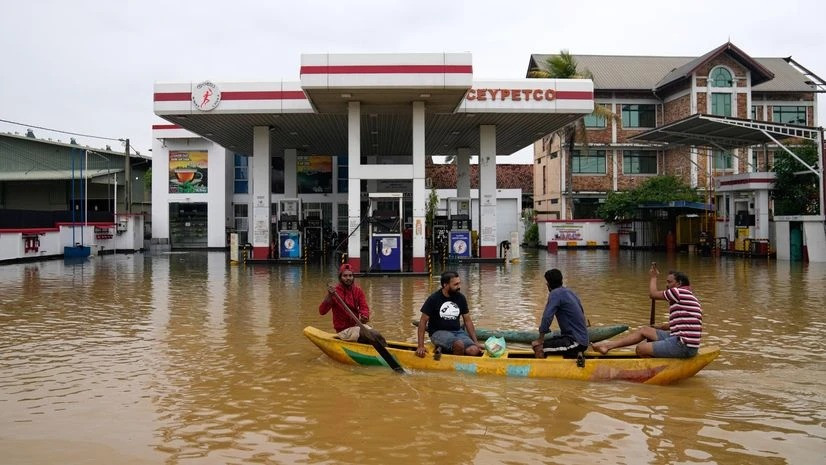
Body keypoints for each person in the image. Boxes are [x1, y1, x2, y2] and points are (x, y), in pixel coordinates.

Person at [592, 262, 702, 358]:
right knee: (644, 330)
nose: (667, 285)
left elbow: (653, 294)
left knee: (640, 349)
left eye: (669, 282)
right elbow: (677, 324)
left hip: (683, 346)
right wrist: (658, 327)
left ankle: (658, 365)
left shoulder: (678, 292)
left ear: (679, 284)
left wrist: (654, 277)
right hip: (680, 340)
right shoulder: (688, 296)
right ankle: (608, 346)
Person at [416, 271, 483, 357]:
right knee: (459, 345)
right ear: (445, 285)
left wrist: (476, 342)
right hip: (438, 333)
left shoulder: (461, 298)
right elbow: (422, 322)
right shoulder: (433, 299)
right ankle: (456, 365)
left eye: (459, 283)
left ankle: (446, 350)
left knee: (474, 350)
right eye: (455, 284)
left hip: (457, 332)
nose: (459, 287)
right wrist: (420, 346)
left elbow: (468, 321)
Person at [531, 269, 589, 358]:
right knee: (551, 341)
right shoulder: (570, 292)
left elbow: (547, 317)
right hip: (581, 340)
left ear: (548, 285)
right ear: (561, 281)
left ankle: (541, 370)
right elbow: (581, 311)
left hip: (575, 342)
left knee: (537, 347)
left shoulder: (555, 294)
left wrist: (540, 339)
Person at [319, 263, 371, 343]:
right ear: (340, 278)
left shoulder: (358, 290)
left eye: (350, 276)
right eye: (345, 276)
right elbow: (322, 311)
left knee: (372, 332)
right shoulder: (334, 292)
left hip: (357, 326)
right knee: (364, 333)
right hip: (343, 331)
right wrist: (329, 296)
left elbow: (364, 307)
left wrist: (365, 316)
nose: (348, 278)